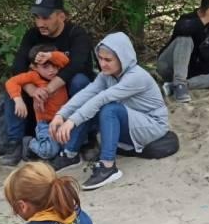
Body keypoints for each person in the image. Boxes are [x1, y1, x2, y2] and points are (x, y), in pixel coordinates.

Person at [50, 32, 169, 191]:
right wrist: (61, 114)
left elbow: (102, 98)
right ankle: (70, 155)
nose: (103, 64)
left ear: (123, 58)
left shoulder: (136, 76)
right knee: (93, 105)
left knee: (109, 108)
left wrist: (72, 121)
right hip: (131, 121)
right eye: (100, 58)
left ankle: (108, 167)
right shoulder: (107, 75)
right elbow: (87, 94)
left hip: (152, 125)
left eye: (108, 60)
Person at [4, 0, 95, 158]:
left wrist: (49, 89)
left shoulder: (76, 34)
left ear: (61, 16)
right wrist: (33, 90)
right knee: (14, 84)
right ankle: (15, 142)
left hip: (68, 93)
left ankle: (87, 138)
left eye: (45, 17)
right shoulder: (32, 35)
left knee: (80, 81)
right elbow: (18, 66)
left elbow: (77, 66)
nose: (40, 23)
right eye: (37, 17)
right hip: (40, 97)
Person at [1, 45, 71, 165]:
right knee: (49, 152)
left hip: (63, 119)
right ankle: (29, 143)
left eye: (55, 66)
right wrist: (18, 100)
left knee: (70, 145)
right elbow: (11, 82)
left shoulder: (61, 72)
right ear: (34, 67)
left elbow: (65, 60)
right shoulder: (33, 76)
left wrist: (50, 56)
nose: (52, 70)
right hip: (45, 123)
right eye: (45, 66)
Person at [157, 0, 209, 103]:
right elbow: (183, 29)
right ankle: (179, 84)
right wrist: (206, 19)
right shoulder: (187, 18)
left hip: (192, 72)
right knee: (185, 39)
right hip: (169, 67)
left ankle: (176, 86)